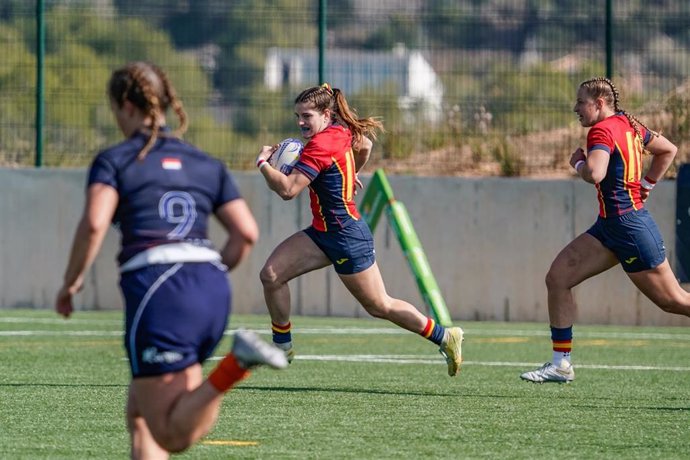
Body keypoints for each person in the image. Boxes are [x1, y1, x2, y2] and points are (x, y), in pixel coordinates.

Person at [55, 61, 287, 458]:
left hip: (159, 292)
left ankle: (236, 364)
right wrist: (203, 274)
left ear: (126, 106)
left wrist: (71, 282)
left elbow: (95, 224)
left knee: (170, 434)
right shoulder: (204, 162)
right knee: (140, 413)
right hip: (211, 288)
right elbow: (246, 233)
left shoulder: (117, 159)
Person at [254, 83, 464, 376]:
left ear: (326, 114)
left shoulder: (321, 144)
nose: (301, 122)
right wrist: (350, 174)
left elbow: (288, 190)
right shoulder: (339, 131)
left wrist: (263, 163)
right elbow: (364, 145)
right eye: (298, 116)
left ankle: (445, 336)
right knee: (272, 275)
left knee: (380, 306)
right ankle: (282, 347)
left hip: (346, 236)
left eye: (307, 116)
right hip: (322, 232)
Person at [521, 77, 690, 383]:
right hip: (609, 227)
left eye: (581, 102)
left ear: (599, 104)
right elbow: (668, 150)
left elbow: (595, 173)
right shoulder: (630, 124)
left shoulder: (602, 130)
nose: (576, 108)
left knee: (674, 301)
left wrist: (578, 164)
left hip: (629, 228)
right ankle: (561, 364)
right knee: (558, 277)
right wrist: (648, 185)